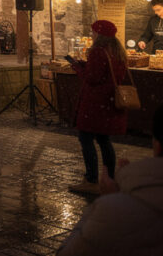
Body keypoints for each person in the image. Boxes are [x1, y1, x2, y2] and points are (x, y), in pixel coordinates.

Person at [56, 105, 163, 255]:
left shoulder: (115, 211)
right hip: (101, 110)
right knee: (102, 138)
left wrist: (108, 201)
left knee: (94, 138)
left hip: (95, 109)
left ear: (157, 146)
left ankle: (92, 178)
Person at [65, 20, 129, 195]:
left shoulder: (98, 51)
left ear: (99, 35)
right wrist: (87, 66)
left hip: (95, 104)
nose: (91, 35)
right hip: (108, 102)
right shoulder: (117, 52)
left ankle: (91, 179)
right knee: (103, 140)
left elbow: (92, 78)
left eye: (93, 32)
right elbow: (107, 73)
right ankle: (108, 178)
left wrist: (78, 68)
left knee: (86, 139)